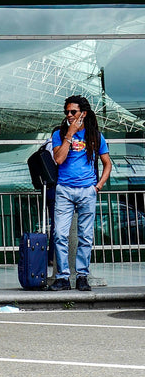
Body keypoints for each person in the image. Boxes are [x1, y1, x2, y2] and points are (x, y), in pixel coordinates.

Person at [49, 95, 111, 291]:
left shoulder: (95, 136)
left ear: (83, 113)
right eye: (66, 112)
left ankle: (82, 275)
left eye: (73, 112)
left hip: (87, 190)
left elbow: (107, 164)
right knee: (60, 234)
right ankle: (63, 277)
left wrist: (98, 186)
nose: (69, 115)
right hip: (65, 189)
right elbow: (58, 159)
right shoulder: (59, 134)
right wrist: (70, 133)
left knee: (85, 236)